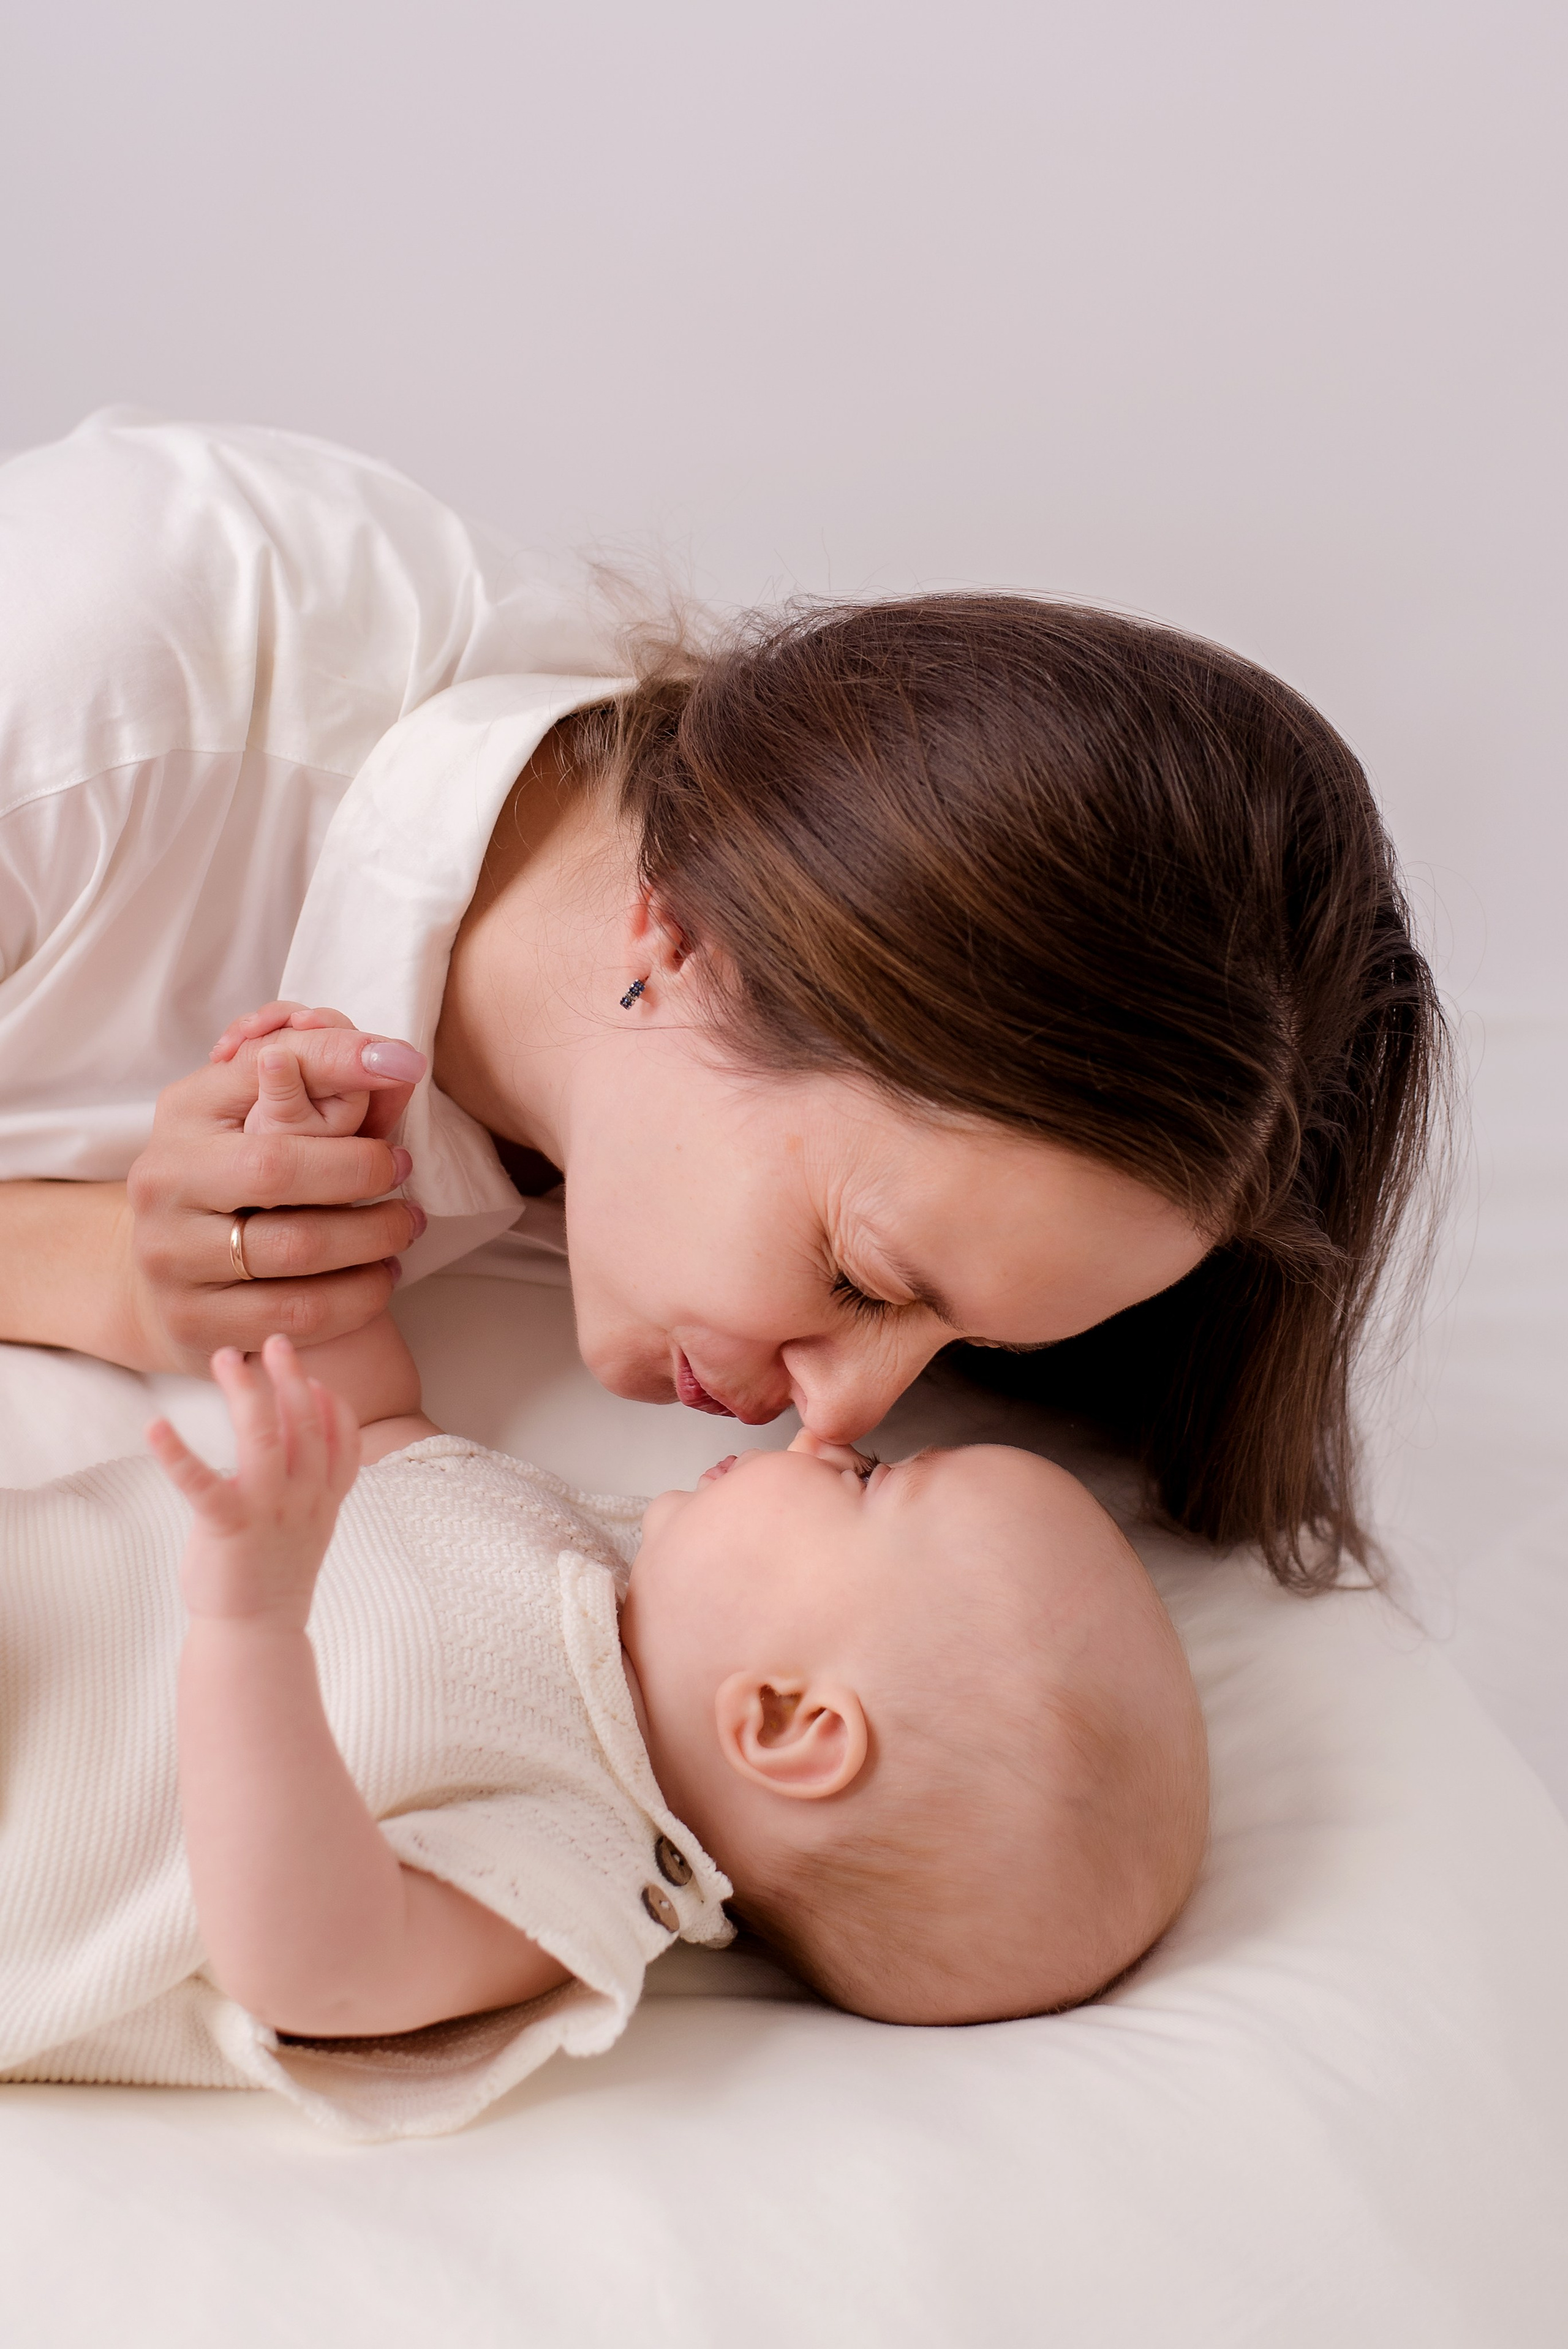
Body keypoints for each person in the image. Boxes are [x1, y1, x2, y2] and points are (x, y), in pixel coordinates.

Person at [0, 412, 1446, 1587]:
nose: (836, 1422)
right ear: (682, 938)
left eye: (964, 1348)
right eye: (865, 1280)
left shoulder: (669, 1093)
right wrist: (100, 1270)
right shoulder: (94, 713)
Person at [0, 1321, 1207, 2141]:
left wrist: (251, 1628)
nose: (822, 1437)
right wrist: (324, 1237)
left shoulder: (582, 1860)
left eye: (864, 1482)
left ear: (785, 1721)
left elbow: (318, 1967)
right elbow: (369, 1431)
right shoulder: (574, 1540)